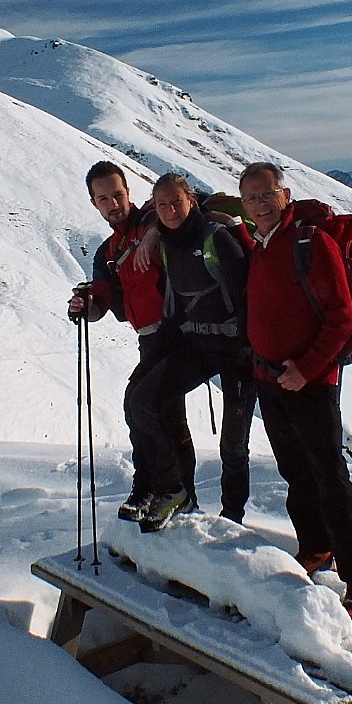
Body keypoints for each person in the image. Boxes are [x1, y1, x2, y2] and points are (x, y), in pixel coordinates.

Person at [239, 161, 352, 619]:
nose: (258, 204)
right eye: (250, 198)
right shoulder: (258, 243)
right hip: (270, 379)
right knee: (295, 470)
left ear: (285, 194)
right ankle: (316, 546)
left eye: (265, 195)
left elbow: (342, 318)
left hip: (312, 381)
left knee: (329, 475)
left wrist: (308, 367)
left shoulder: (310, 242)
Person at [126, 173, 258, 528]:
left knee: (233, 447)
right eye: (162, 205)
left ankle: (232, 520)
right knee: (140, 401)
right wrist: (153, 358)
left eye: (176, 202)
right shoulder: (168, 243)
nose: (170, 210)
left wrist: (250, 352)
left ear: (190, 201)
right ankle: (175, 491)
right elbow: (177, 304)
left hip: (237, 351)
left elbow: (247, 297)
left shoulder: (216, 238)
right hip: (197, 343)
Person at [68, 161, 195, 522]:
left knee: (143, 405)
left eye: (118, 194)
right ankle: (162, 491)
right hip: (150, 339)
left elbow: (189, 205)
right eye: (103, 197)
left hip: (178, 332)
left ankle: (165, 490)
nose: (113, 203)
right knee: (160, 413)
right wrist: (85, 304)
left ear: (129, 193)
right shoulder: (108, 251)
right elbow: (101, 305)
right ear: (94, 203)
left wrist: (154, 232)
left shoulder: (157, 219)